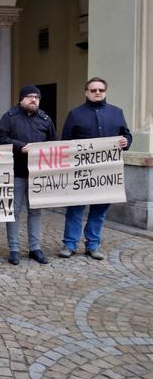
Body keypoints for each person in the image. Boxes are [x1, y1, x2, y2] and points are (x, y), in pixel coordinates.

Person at [59, 77, 132, 260]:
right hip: (80, 173)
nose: (97, 92)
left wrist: (126, 141)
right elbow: (65, 142)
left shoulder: (117, 113)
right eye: (93, 90)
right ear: (86, 93)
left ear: (105, 91)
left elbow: (127, 136)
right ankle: (70, 244)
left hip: (106, 174)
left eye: (100, 90)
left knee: (99, 212)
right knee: (75, 210)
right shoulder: (75, 114)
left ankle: (93, 245)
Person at [0, 85, 57, 265]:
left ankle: (35, 248)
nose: (33, 100)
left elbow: (54, 143)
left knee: (35, 212)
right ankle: (13, 249)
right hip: (16, 172)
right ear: (21, 99)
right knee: (13, 211)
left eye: (36, 97)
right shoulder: (10, 117)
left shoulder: (45, 119)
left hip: (38, 174)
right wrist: (19, 146)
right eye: (29, 97)